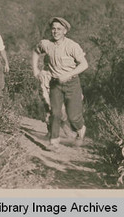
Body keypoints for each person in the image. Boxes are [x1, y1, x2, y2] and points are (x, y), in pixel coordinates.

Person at [32, 16, 88, 149]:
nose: (55, 31)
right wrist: (35, 69)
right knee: (55, 112)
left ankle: (81, 129)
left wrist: (68, 74)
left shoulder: (72, 46)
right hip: (55, 84)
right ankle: (54, 141)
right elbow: (35, 51)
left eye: (59, 29)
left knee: (73, 116)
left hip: (72, 83)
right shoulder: (46, 44)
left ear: (65, 31)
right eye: (53, 29)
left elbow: (84, 64)